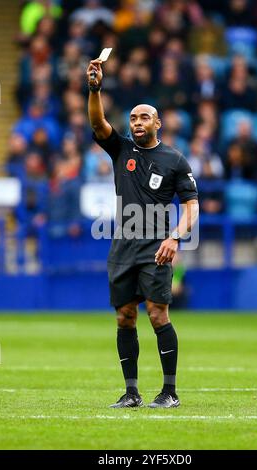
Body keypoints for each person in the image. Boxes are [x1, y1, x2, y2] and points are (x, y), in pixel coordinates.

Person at [87, 57, 199, 408]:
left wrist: (175, 236)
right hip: (122, 246)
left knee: (157, 314)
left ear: (158, 123)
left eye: (144, 116)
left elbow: (192, 207)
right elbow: (97, 121)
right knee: (125, 316)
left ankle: (170, 392)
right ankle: (131, 392)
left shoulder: (175, 160)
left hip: (156, 247)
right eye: (133, 117)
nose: (137, 122)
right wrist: (95, 89)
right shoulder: (120, 149)